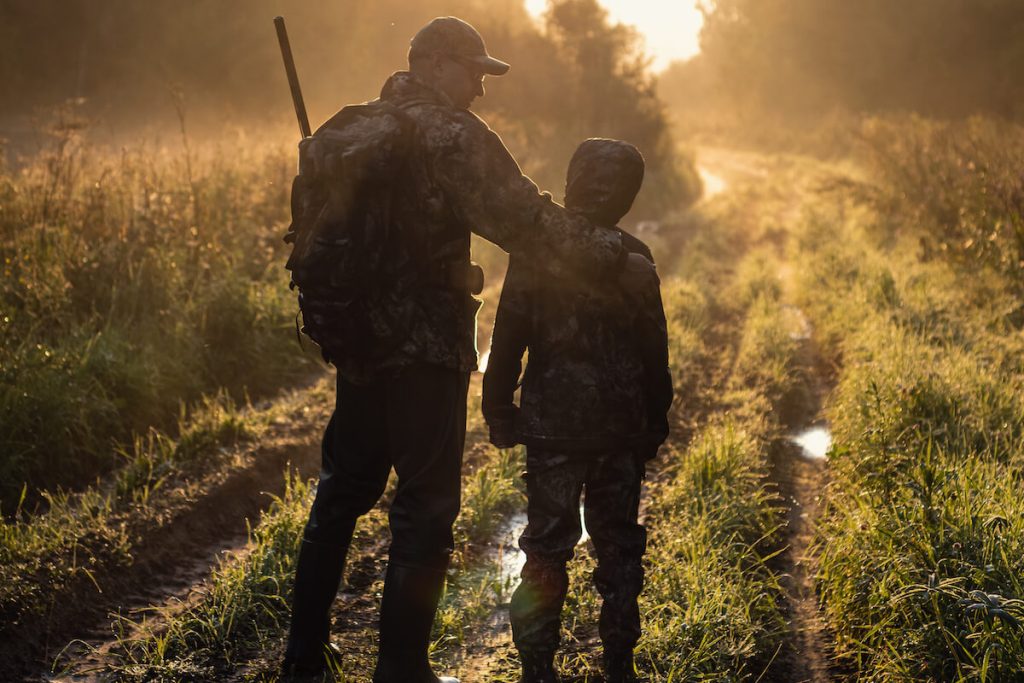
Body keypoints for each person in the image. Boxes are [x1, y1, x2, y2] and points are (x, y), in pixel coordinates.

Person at [280, 17, 659, 683]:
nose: (480, 90)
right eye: (473, 73)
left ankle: (302, 658)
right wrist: (610, 254)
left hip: (357, 344)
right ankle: (403, 669)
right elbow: (526, 221)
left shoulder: (351, 127)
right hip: (424, 351)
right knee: (425, 507)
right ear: (433, 63)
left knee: (342, 492)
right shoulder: (451, 134)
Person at [482, 139, 673, 683]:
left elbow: (507, 336)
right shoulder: (634, 256)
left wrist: (498, 408)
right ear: (628, 195)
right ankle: (619, 665)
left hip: (552, 431)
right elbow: (654, 349)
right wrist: (655, 419)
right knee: (619, 549)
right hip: (620, 431)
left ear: (571, 183)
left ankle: (537, 669)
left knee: (546, 549)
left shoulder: (535, 252)